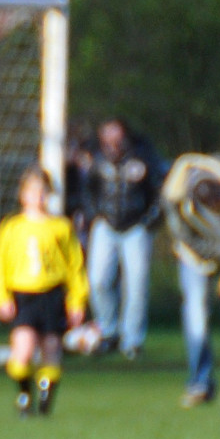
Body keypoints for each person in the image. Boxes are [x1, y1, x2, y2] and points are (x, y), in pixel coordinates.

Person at [0, 166, 87, 416]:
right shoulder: (11, 227)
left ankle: (45, 400)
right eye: (32, 191)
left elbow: (75, 267)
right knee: (23, 349)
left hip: (52, 294)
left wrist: (77, 301)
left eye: (43, 191)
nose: (38, 196)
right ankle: (24, 395)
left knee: (51, 347)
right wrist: (0, 297)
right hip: (23, 295)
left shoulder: (61, 227)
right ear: (23, 195)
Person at [75, 119, 162, 360]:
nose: (112, 141)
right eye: (107, 135)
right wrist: (94, 215)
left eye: (116, 135)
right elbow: (88, 190)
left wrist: (148, 221)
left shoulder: (143, 158)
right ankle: (107, 329)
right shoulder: (96, 159)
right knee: (98, 280)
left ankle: (132, 340)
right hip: (105, 225)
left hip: (136, 226)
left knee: (136, 285)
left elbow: (157, 191)